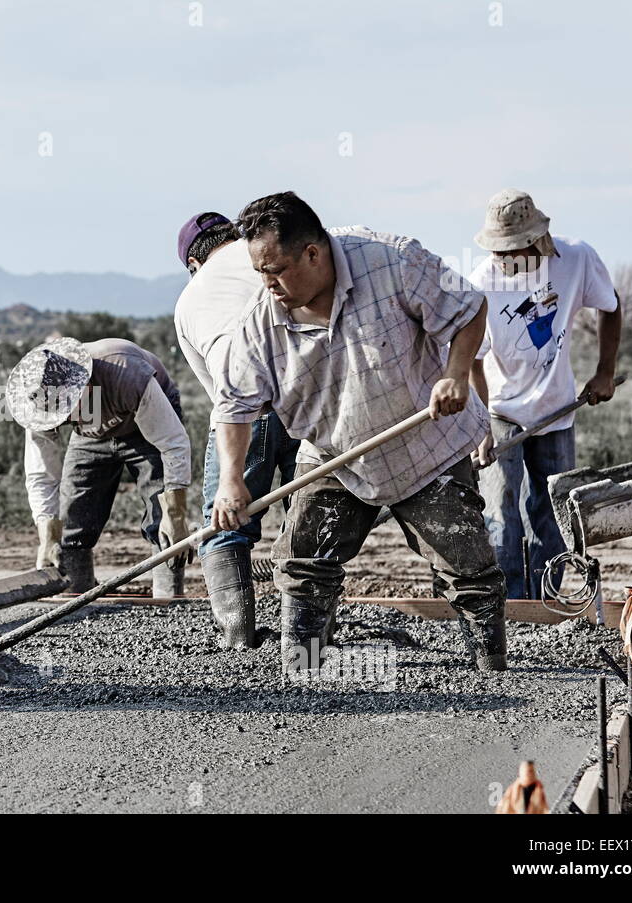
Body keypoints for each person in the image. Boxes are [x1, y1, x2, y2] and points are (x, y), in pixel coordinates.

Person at [212, 191, 508, 671]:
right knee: (304, 561)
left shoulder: (393, 261)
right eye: (259, 272)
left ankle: (490, 668)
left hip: (427, 445)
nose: (267, 283)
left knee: (467, 566)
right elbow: (233, 406)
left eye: (276, 270)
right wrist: (231, 478)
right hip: (336, 454)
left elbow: (469, 308)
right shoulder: (260, 322)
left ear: (313, 253)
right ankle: (302, 667)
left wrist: (454, 373)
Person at [468, 188, 622, 599]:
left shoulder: (577, 258)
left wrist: (605, 372)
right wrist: (480, 425)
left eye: (510, 252)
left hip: (557, 411)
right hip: (502, 413)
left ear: (536, 241)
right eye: (496, 251)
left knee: (551, 513)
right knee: (500, 513)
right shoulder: (482, 283)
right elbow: (472, 359)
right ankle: (510, 608)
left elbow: (610, 305)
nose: (502, 260)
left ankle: (544, 603)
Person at [174, 211, 299, 648]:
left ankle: (237, 634)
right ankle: (305, 637)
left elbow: (223, 398)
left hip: (248, 412)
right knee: (313, 511)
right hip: (307, 398)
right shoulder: (266, 262)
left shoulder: (188, 301)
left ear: (193, 263)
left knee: (226, 524)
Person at [5, 337, 193, 596]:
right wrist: (48, 538)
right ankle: (75, 599)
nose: (64, 419)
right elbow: (42, 475)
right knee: (71, 518)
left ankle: (169, 599)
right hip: (90, 435)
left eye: (66, 409)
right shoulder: (37, 401)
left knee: (162, 515)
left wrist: (177, 516)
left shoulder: (127, 375)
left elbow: (173, 444)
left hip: (143, 425)